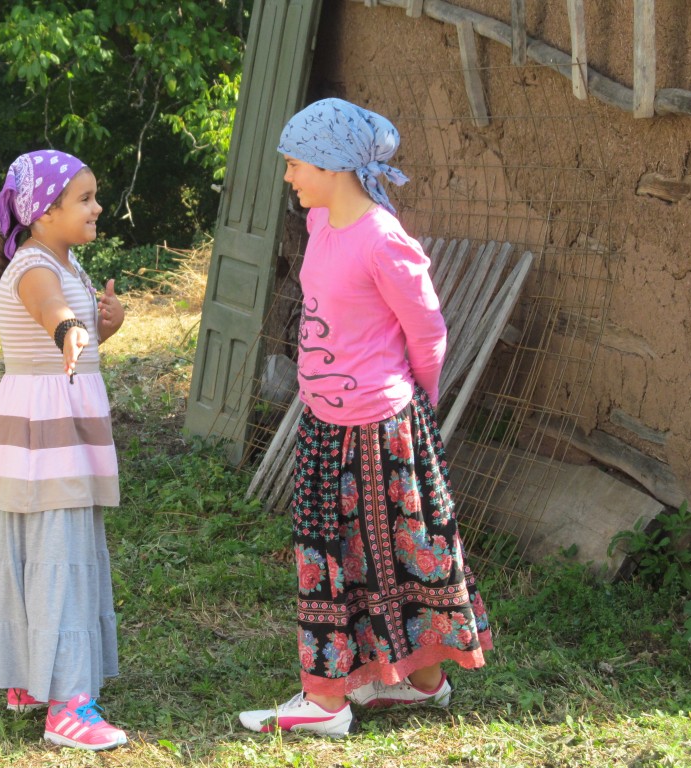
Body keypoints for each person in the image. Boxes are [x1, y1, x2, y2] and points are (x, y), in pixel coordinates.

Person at [238, 99, 493, 738]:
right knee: (343, 555)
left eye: (295, 164)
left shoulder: (384, 240)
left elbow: (427, 331)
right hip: (326, 425)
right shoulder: (321, 221)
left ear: (331, 164)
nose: (289, 176)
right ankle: (422, 684)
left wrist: (415, 407)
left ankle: (325, 703)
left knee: (392, 554)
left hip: (381, 429)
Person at [0, 149, 128, 751]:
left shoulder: (62, 260)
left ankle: (31, 678)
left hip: (50, 425)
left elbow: (72, 330)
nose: (98, 207)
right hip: (45, 433)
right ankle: (67, 705)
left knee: (40, 548)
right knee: (57, 551)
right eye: (85, 199)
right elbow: (48, 309)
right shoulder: (35, 266)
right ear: (43, 213)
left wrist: (102, 327)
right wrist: (69, 328)